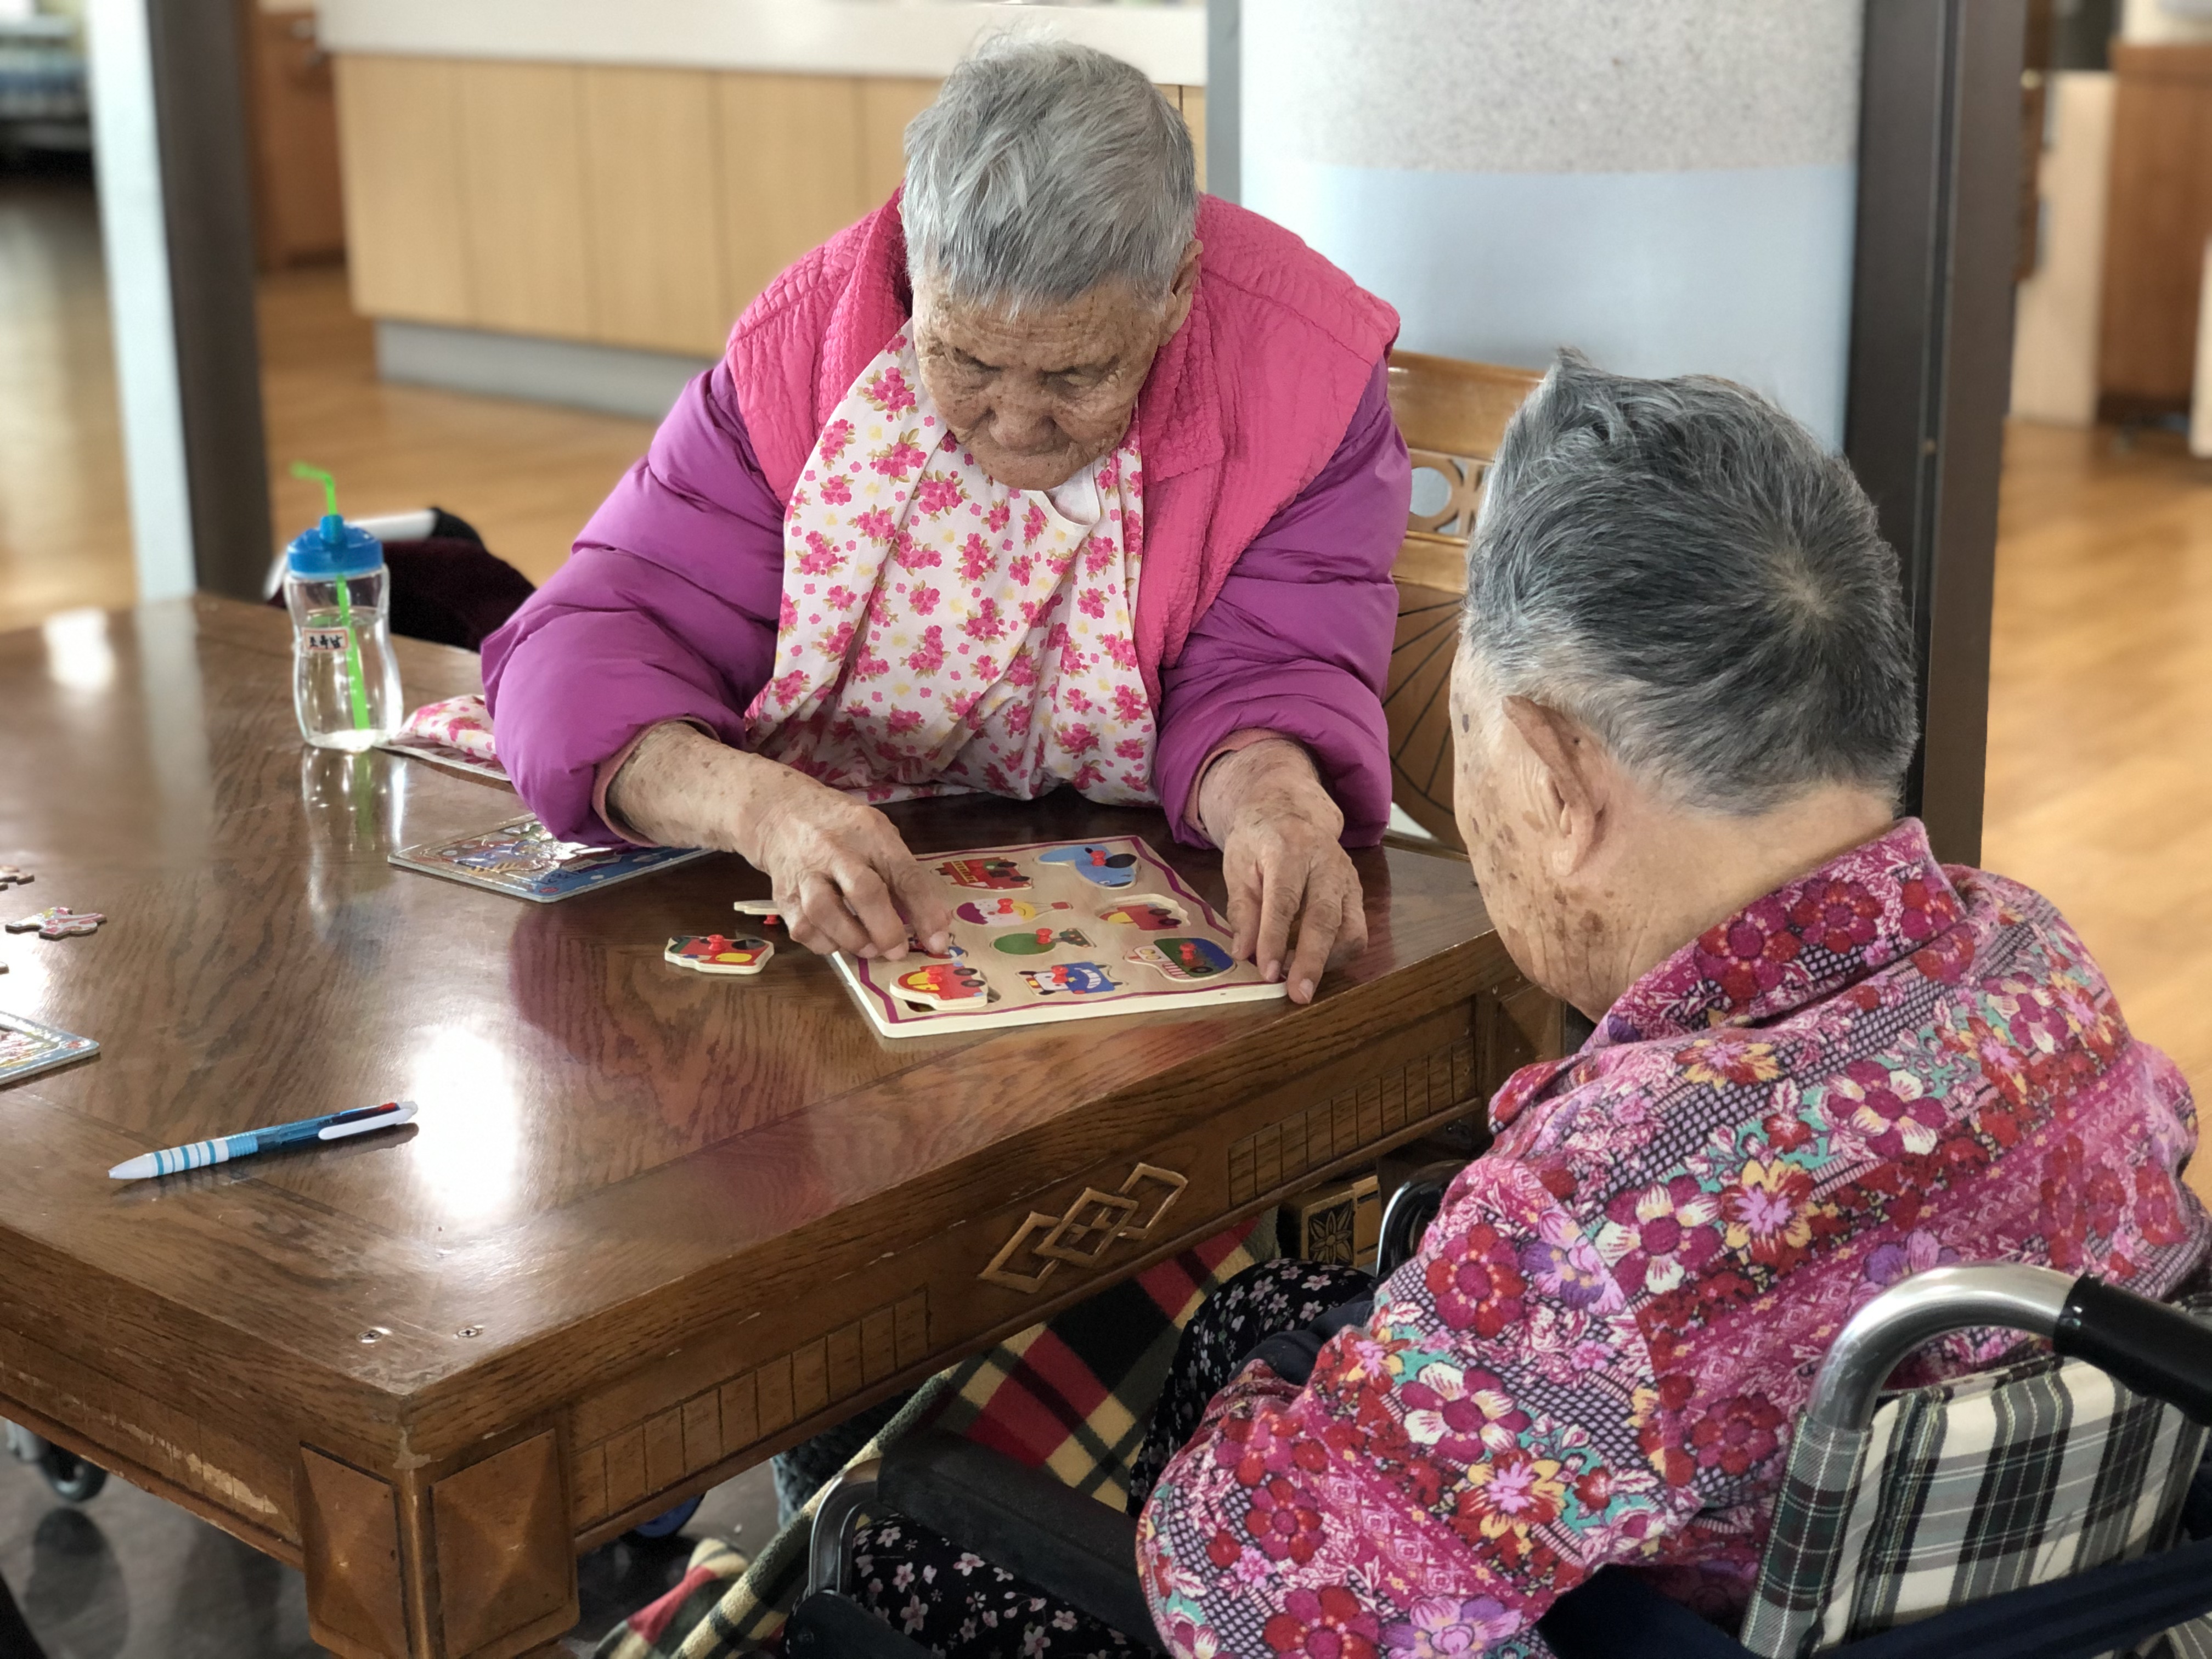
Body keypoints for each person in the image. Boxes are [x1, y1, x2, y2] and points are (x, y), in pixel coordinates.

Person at [839, 354, 2209, 1657]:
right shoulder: (2035, 959)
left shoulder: (1612, 1206)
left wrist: (1307, 1400)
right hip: (1984, 1607)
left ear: (1555, 778)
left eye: (1472, 736)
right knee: (1264, 1318)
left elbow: (1243, 1597)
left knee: (900, 1535)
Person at [482, 37, 1409, 1003]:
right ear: (911, 270)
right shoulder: (802, 350)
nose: (1013, 424)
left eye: (1076, 374)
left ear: (1176, 292)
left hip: (1136, 900)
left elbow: (1269, 670)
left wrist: (1276, 808)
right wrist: (765, 812)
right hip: (821, 901)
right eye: (965, 361)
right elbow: (580, 652)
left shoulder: (1306, 373)